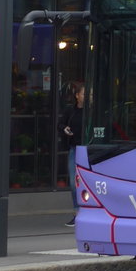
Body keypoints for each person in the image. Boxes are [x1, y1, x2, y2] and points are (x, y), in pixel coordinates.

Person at [58, 81, 84, 227]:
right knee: (74, 183)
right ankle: (77, 213)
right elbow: (60, 124)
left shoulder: (92, 111)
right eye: (85, 94)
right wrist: (65, 128)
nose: (88, 97)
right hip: (75, 148)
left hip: (88, 150)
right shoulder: (70, 110)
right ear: (77, 96)